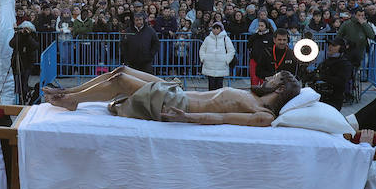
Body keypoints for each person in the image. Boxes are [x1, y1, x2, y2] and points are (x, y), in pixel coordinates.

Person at [46, 67, 302, 125]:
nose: (268, 79)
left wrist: (186, 117)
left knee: (121, 82)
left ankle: (73, 100)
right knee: (122, 70)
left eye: (274, 79)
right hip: (176, 91)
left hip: (178, 102)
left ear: (279, 90)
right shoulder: (253, 97)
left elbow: (220, 118)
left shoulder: (264, 115)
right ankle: (68, 92)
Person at [310, 37, 353, 110]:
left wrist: (322, 77)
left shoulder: (345, 64)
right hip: (320, 98)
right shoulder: (325, 62)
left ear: (341, 48)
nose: (330, 47)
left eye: (334, 45)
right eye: (329, 45)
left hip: (333, 99)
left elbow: (341, 81)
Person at [198, 21, 235, 91]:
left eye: (217, 28)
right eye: (214, 28)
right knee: (211, 85)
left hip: (221, 65)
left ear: (221, 29)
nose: (215, 30)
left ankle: (218, 100)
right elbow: (202, 49)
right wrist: (203, 58)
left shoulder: (226, 39)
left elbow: (231, 51)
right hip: (209, 65)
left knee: (219, 85)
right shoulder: (208, 39)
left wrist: (226, 60)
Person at [8, 21, 38, 105]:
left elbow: (35, 46)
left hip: (28, 62)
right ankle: (18, 97)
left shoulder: (33, 35)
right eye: (24, 28)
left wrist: (28, 36)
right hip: (17, 60)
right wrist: (19, 35)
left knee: (24, 80)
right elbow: (12, 44)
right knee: (17, 80)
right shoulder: (18, 35)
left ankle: (24, 97)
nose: (25, 30)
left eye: (27, 29)